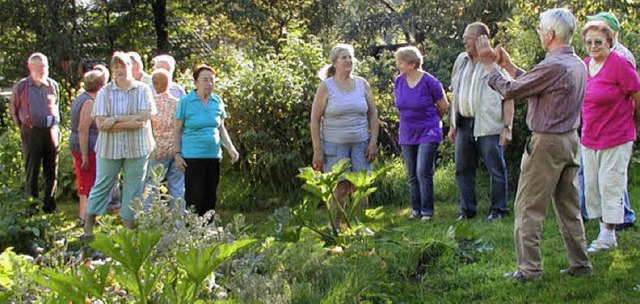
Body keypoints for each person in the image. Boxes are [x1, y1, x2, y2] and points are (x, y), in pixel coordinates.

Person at [476, 8, 592, 280]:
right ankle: (581, 264)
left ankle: (529, 270)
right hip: (570, 140)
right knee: (569, 208)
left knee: (529, 207)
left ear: (550, 35)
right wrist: (508, 66)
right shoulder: (575, 63)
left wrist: (490, 65)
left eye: (541, 30)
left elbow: (511, 90)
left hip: (547, 144)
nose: (540, 34)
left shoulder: (553, 65)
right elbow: (537, 82)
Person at [580, 22, 640, 252]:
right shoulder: (585, 66)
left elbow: (636, 94)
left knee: (611, 184)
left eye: (598, 42)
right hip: (591, 136)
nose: (593, 46)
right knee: (593, 185)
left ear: (609, 42)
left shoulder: (619, 64)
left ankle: (608, 234)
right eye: (589, 42)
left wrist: (635, 122)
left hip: (617, 135)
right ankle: (603, 231)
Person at [83, 52, 156, 237]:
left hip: (137, 147)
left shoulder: (142, 89)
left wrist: (115, 120)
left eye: (123, 66)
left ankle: (129, 231)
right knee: (102, 185)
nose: (119, 71)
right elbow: (101, 125)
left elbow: (144, 117)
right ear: (111, 70)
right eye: (115, 67)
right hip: (109, 148)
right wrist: (128, 124)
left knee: (133, 188)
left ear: (130, 67)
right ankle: (88, 229)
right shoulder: (104, 92)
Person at [449, 22, 514, 222]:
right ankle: (467, 210)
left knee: (495, 168)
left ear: (480, 39)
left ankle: (498, 210)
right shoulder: (461, 60)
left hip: (488, 125)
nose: (464, 41)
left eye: (467, 37)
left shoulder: (495, 62)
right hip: (463, 124)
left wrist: (507, 127)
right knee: (462, 168)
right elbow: (455, 91)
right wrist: (452, 124)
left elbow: (509, 96)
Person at [310, 43, 379, 228]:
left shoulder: (362, 84)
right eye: (344, 58)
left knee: (361, 188)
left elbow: (373, 114)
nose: (348, 61)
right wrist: (318, 150)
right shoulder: (326, 87)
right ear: (334, 63)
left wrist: (373, 141)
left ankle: (359, 227)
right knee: (340, 188)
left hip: (361, 144)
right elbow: (315, 120)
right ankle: (335, 229)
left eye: (350, 57)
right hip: (334, 145)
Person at [174, 64, 239, 216]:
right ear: (196, 82)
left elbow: (221, 128)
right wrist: (176, 154)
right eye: (205, 80)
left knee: (210, 196)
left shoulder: (217, 101)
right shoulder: (185, 102)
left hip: (213, 155)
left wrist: (231, 148)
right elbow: (177, 130)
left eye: (212, 80)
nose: (209, 83)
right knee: (195, 197)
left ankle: (208, 231)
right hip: (192, 156)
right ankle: (193, 232)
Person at [394, 46, 448, 221]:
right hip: (407, 132)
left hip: (428, 130)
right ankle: (415, 210)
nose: (398, 66)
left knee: (422, 170)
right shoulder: (399, 81)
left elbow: (443, 105)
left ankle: (427, 211)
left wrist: (433, 121)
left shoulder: (430, 81)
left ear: (412, 64)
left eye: (400, 62)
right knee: (411, 173)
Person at [9, 52, 61, 214]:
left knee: (51, 168)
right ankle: (31, 206)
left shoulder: (52, 85)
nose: (42, 70)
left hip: (51, 131)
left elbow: (57, 104)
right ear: (30, 67)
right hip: (31, 132)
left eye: (44, 66)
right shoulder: (22, 86)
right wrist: (23, 125)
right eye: (38, 67)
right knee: (32, 168)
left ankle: (49, 204)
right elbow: (13, 109)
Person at [69, 70, 107, 224]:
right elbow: (83, 128)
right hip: (86, 146)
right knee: (86, 180)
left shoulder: (83, 97)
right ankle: (83, 216)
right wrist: (84, 155)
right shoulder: (89, 102)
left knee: (89, 179)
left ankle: (90, 214)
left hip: (84, 145)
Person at [144, 69, 184, 208]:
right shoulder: (178, 103)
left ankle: (148, 216)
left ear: (154, 84)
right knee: (177, 184)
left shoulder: (151, 104)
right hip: (177, 149)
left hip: (157, 150)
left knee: (152, 183)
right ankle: (178, 220)